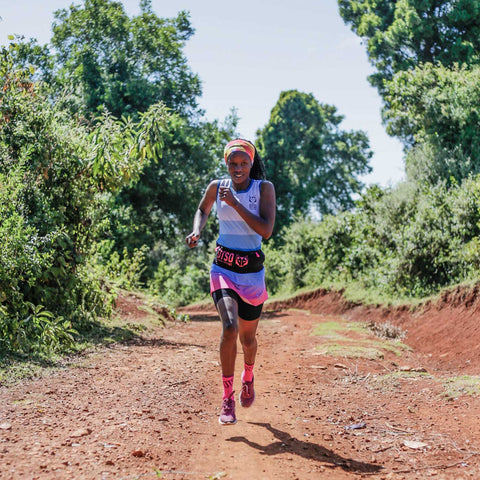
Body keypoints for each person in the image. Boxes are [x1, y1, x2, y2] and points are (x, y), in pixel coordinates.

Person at [186, 138, 276, 425]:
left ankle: (248, 374)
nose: (238, 168)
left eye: (243, 163)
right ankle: (227, 398)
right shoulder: (217, 186)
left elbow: (266, 230)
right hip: (223, 267)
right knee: (229, 327)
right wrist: (197, 230)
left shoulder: (264, 189)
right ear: (226, 164)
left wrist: (235, 204)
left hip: (252, 272)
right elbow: (203, 209)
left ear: (251, 163)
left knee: (248, 339)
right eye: (233, 164)